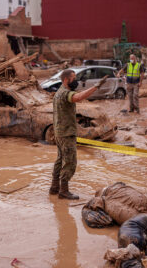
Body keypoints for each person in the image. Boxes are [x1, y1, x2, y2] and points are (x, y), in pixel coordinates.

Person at [49, 69, 108, 200]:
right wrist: (96, 87)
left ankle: (54, 188)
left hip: (59, 132)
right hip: (66, 133)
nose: (76, 81)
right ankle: (63, 191)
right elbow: (78, 97)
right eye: (73, 78)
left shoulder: (58, 92)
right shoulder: (65, 93)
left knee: (60, 160)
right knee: (70, 162)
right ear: (66, 80)